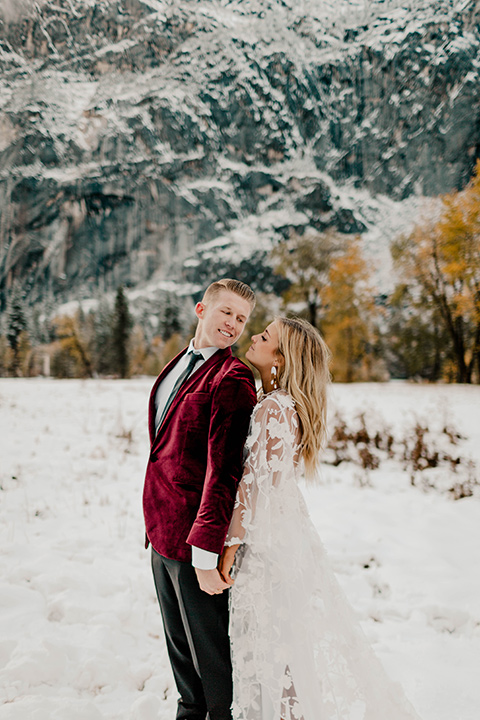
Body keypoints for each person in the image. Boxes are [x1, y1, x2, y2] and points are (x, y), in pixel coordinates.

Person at [218, 317, 422, 720]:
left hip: (266, 547)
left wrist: (230, 545)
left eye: (264, 336)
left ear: (281, 357)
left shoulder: (274, 408)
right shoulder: (278, 403)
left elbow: (254, 487)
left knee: (269, 651)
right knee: (283, 649)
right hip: (283, 538)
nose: (253, 337)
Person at [143, 279, 257, 720]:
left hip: (195, 543)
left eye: (242, 319)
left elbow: (224, 472)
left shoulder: (233, 378)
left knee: (211, 665)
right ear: (201, 309)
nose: (233, 324)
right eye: (226, 312)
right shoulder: (178, 364)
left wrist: (206, 552)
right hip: (160, 532)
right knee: (181, 658)